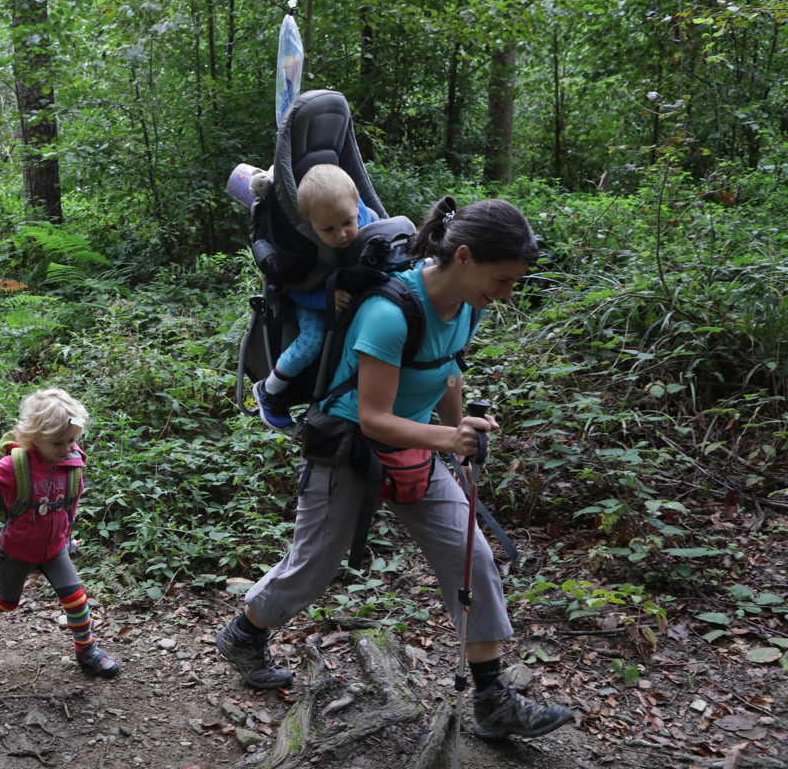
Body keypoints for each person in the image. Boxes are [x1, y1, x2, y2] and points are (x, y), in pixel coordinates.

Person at [218, 196, 574, 741]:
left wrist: (458, 434)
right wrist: (447, 437)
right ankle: (245, 633)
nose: (506, 295)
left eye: (512, 283)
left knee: (472, 558)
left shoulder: (468, 305)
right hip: (348, 447)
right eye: (501, 280)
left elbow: (449, 368)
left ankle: (491, 698)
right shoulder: (388, 312)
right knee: (313, 567)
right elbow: (374, 417)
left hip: (418, 447)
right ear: (462, 257)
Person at [0, 389, 120, 679]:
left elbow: (72, 502)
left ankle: (86, 649)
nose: (67, 447)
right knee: (7, 601)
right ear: (33, 438)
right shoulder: (14, 465)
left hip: (55, 548)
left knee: (77, 599)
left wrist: (66, 538)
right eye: (57, 442)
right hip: (18, 548)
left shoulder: (73, 463)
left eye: (72, 440)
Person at [253, 163, 376, 430]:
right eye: (328, 229)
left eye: (347, 222)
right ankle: (270, 390)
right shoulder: (308, 247)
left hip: (352, 290)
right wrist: (325, 300)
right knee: (312, 342)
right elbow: (296, 288)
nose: (342, 234)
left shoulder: (367, 220)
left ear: (357, 207)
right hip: (312, 295)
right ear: (311, 225)